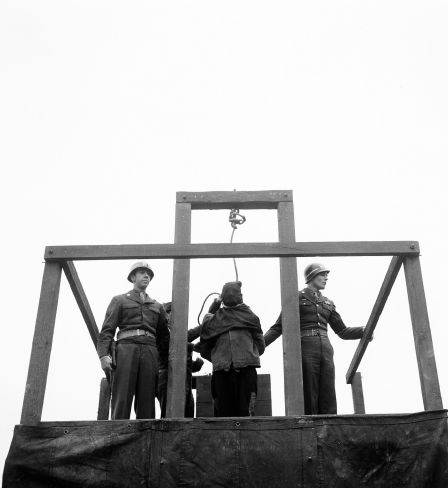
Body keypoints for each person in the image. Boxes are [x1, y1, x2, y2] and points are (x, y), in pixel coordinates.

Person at [264, 263, 366, 415]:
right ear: (311, 276)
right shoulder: (296, 298)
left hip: (326, 349)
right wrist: (258, 345)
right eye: (322, 275)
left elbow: (342, 331)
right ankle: (310, 425)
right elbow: (278, 327)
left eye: (326, 276)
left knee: (328, 390)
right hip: (306, 348)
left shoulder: (328, 303)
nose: (326, 278)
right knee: (309, 389)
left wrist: (364, 331)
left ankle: (329, 426)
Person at [97, 261, 170, 420]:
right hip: (126, 349)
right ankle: (117, 437)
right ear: (132, 277)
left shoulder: (157, 306)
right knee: (122, 396)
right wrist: (103, 356)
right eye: (142, 273)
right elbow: (107, 330)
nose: (146, 276)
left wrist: (166, 364)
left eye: (149, 275)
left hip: (150, 350)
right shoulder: (120, 300)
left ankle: (146, 439)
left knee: (147, 399)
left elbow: (164, 338)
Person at [199, 281, 265, 417]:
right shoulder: (213, 320)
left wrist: (246, 357)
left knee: (245, 413)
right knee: (223, 414)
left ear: (241, 296)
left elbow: (260, 345)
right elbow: (205, 348)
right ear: (222, 297)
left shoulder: (250, 317)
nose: (230, 295)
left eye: (234, 292)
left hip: (246, 372)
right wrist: (220, 359)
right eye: (227, 293)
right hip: (221, 373)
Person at [158, 302, 204, 418]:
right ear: (167, 315)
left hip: (184, 379)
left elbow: (180, 360)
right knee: (168, 415)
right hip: (167, 379)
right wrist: (192, 346)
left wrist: (195, 366)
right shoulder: (161, 331)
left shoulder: (178, 332)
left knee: (188, 413)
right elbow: (172, 346)